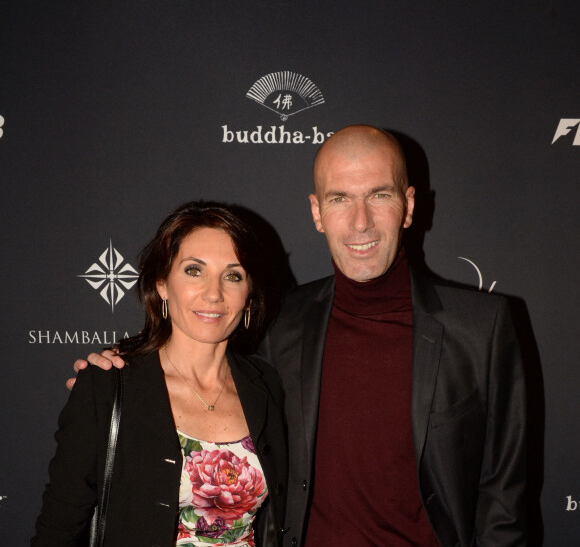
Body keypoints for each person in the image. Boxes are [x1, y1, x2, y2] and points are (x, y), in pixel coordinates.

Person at [71, 126, 527, 546]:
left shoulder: (481, 328)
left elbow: (503, 503)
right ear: (316, 212)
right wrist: (119, 372)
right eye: (340, 199)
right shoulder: (280, 323)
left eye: (379, 195)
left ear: (408, 206)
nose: (361, 221)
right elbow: (198, 352)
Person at [34, 201, 288, 547]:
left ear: (248, 297)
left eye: (233, 275)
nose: (214, 294)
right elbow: (58, 529)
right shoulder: (109, 384)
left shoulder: (266, 385)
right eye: (194, 271)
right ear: (163, 285)